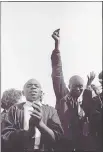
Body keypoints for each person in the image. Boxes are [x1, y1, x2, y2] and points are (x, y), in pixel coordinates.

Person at [1, 79, 63, 152]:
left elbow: (58, 137)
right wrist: (28, 132)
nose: (33, 87)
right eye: (29, 86)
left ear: (41, 93)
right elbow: (5, 135)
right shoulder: (14, 109)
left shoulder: (51, 111)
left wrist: (40, 125)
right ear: (23, 93)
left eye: (36, 86)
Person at [51, 29, 87, 151]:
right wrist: (57, 47)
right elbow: (57, 73)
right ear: (69, 85)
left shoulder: (83, 104)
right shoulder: (63, 95)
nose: (79, 88)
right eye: (76, 85)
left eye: (81, 86)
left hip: (79, 144)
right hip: (62, 143)